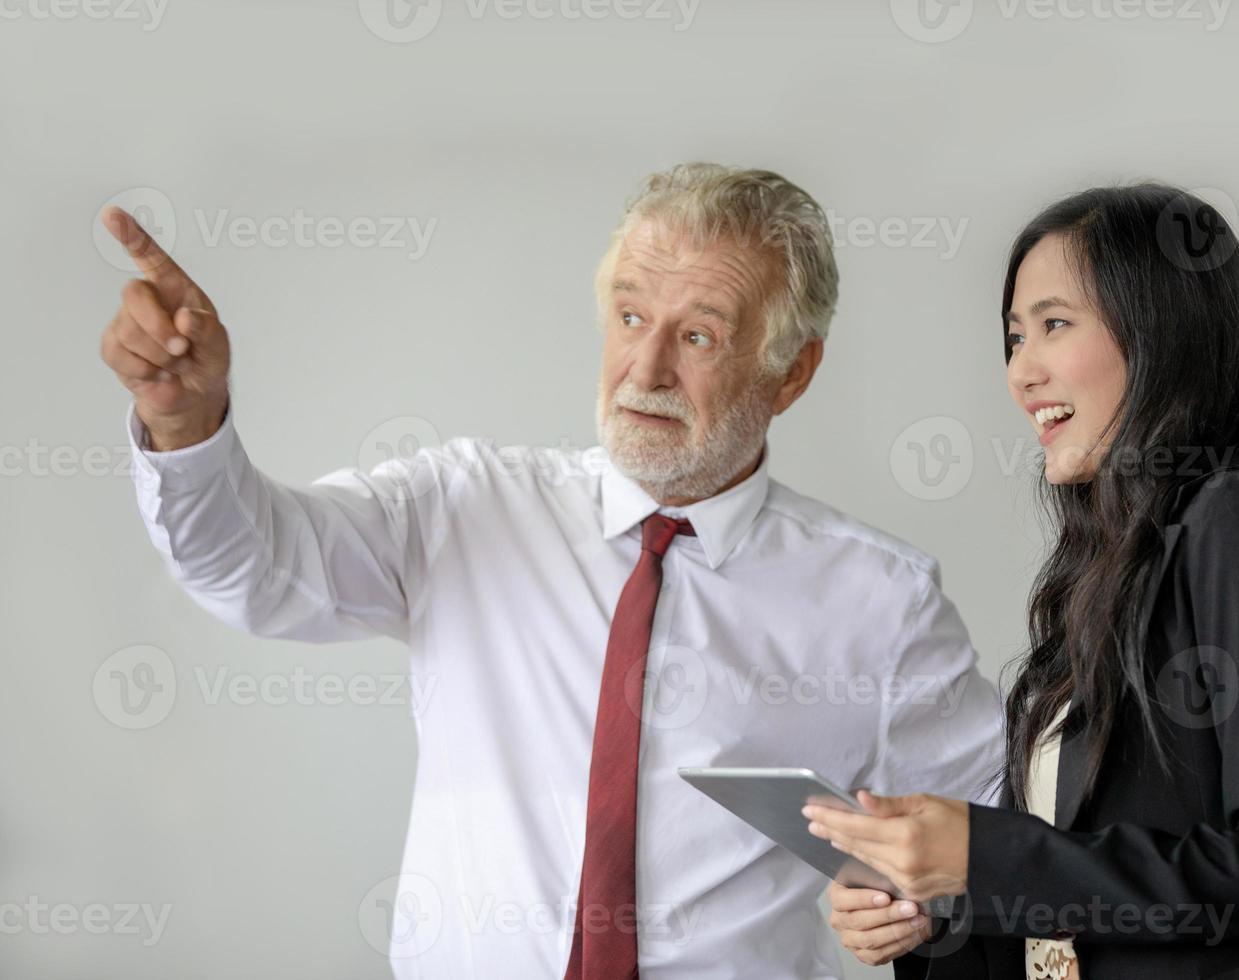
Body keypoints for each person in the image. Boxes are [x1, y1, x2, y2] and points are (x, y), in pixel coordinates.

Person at [98, 162, 1005, 978]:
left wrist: (918, 909)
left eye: (699, 336)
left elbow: (988, 854)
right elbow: (258, 572)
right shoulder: (463, 505)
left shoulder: (881, 601)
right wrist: (187, 424)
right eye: (631, 317)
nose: (643, 368)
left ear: (791, 373)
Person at [806, 184, 1239, 979]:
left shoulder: (1237, 525)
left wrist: (987, 858)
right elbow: (1073, 902)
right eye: (1014, 337)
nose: (1020, 372)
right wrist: (932, 904)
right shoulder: (1105, 572)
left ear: (1160, 333)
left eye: (1053, 325)